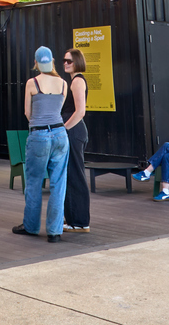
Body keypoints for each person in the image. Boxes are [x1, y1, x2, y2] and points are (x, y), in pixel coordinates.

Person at [13, 46, 69, 243]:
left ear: (36, 63)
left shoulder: (32, 83)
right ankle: (54, 232)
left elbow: (28, 113)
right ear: (53, 61)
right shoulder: (63, 83)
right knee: (59, 183)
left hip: (39, 135)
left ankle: (31, 226)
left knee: (35, 182)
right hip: (61, 134)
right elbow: (58, 110)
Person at [62, 48, 90, 233]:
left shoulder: (77, 81)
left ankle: (79, 221)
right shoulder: (73, 81)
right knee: (71, 174)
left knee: (74, 174)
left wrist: (64, 129)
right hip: (74, 131)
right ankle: (73, 218)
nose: (65, 63)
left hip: (73, 131)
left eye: (69, 61)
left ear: (77, 62)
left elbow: (80, 111)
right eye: (64, 60)